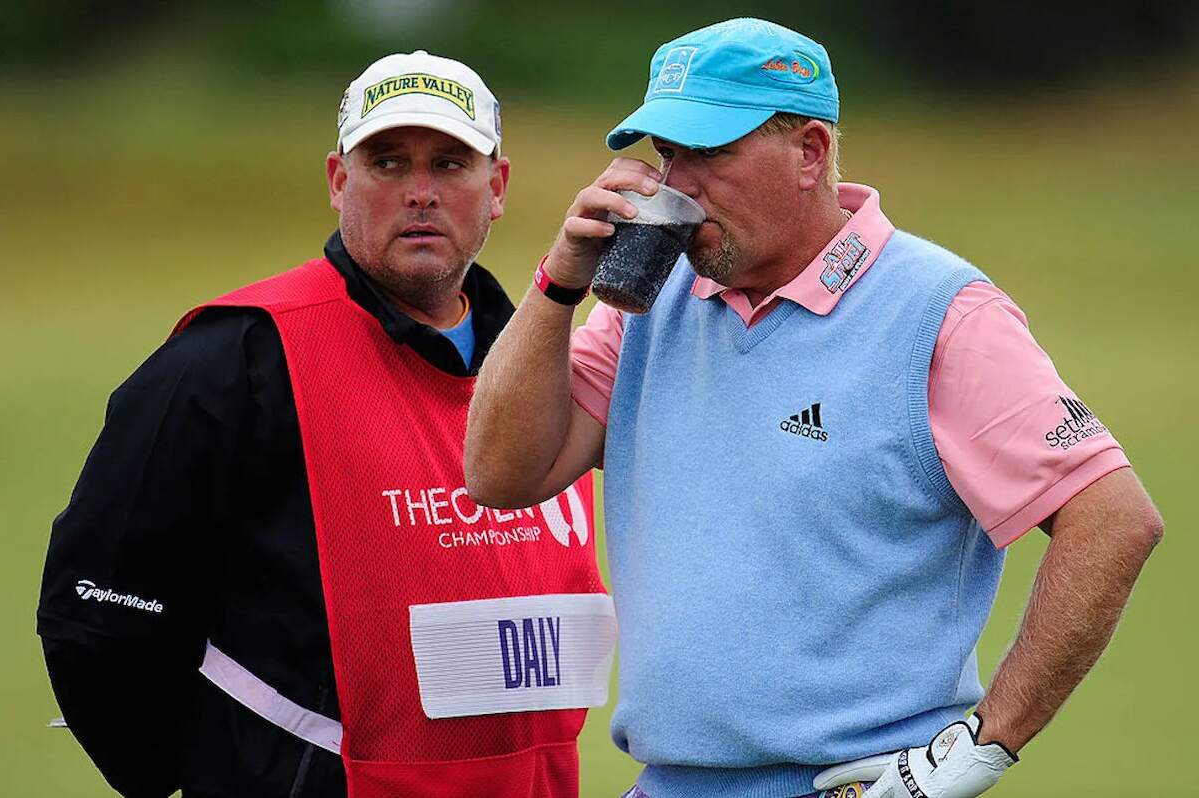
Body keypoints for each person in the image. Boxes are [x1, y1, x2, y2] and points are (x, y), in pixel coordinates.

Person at [464, 18, 1163, 798]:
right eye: (669, 156)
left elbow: (1114, 519)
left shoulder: (939, 312)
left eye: (712, 153)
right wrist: (559, 282)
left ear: (810, 153)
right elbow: (500, 472)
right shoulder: (650, 303)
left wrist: (979, 749)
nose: (678, 186)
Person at [38, 51, 614, 798]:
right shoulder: (236, 355)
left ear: (496, 187)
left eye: (449, 163)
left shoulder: (548, 355)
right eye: (387, 163)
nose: (420, 193)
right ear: (340, 180)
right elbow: (99, 622)